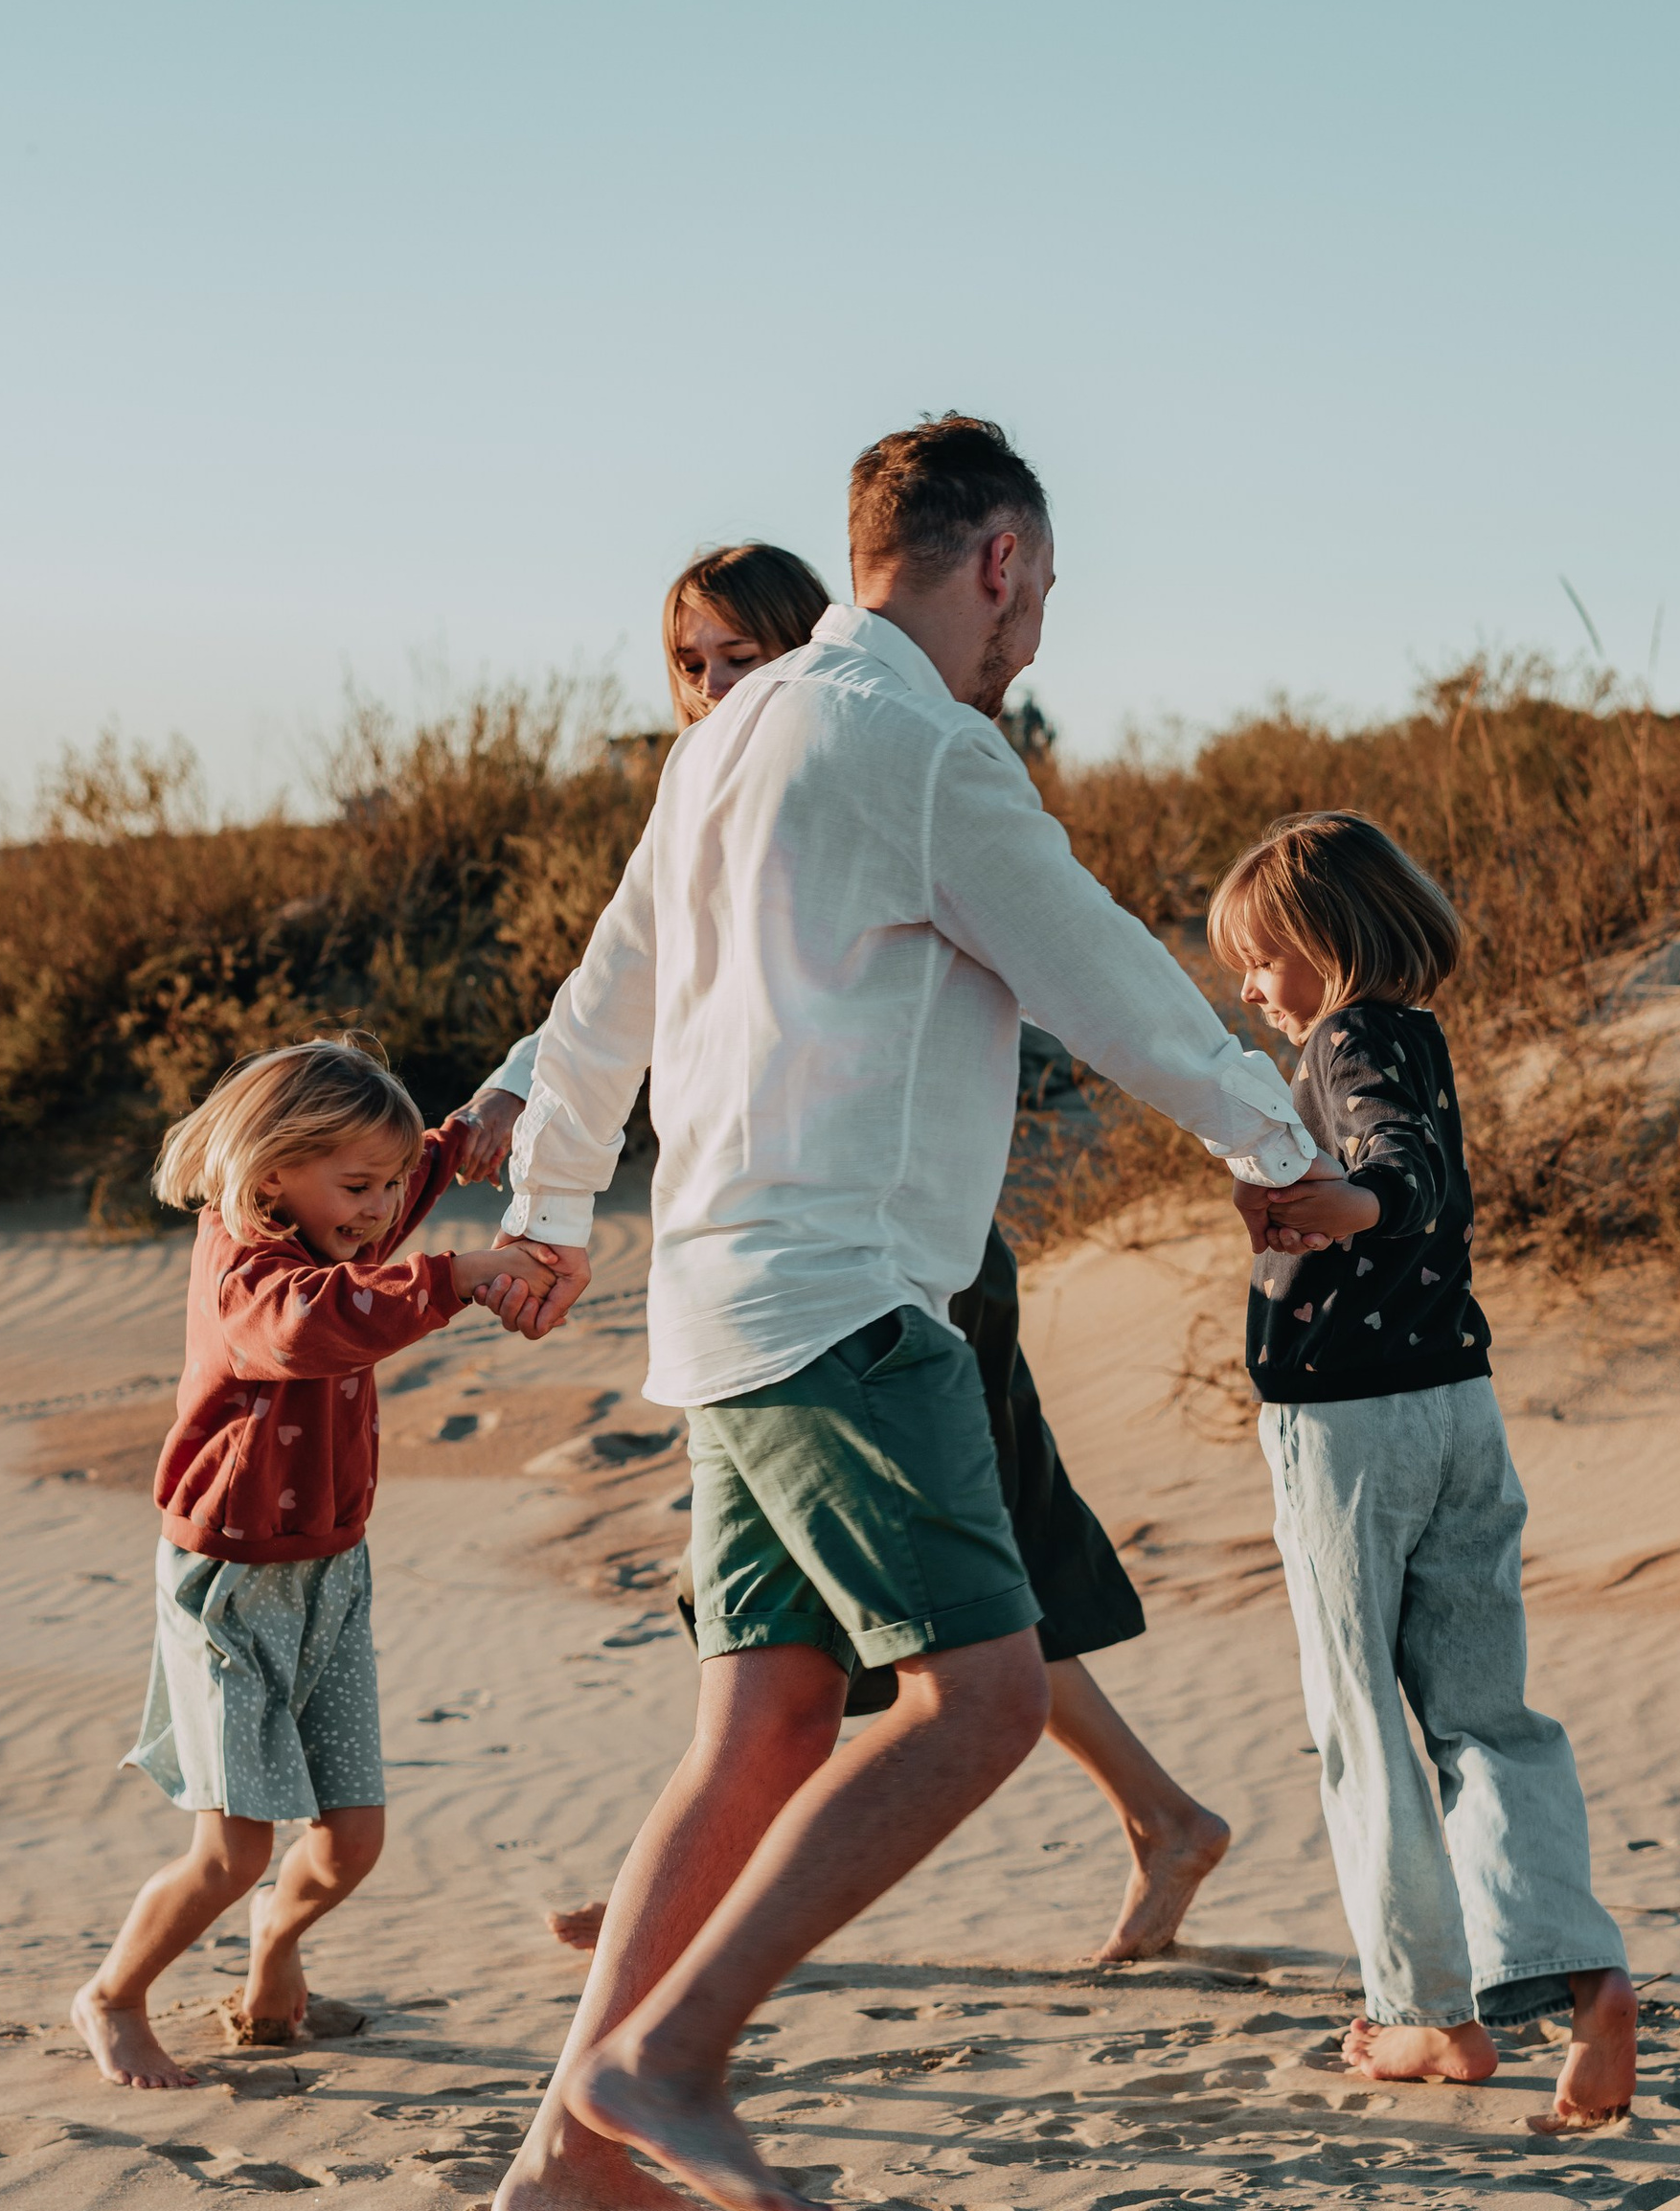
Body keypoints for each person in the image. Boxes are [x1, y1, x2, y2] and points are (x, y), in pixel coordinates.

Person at [480, 417, 1326, 2211]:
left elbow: (596, 1004)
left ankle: (564, 2161)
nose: (1036, 641)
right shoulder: (925, 748)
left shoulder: (726, 739)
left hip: (715, 1302)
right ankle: (670, 2056)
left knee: (764, 1728)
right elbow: (1105, 974)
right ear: (998, 561)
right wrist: (1282, 1144)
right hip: (853, 1299)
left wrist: (551, 1211)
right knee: (984, 1704)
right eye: (1042, 595)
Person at [448, 540, 1231, 1965]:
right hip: (782, 1272)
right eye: (693, 660)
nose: (720, 679)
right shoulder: (727, 779)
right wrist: (533, 1131)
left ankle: (658, 2008)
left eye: (745, 649)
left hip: (875, 1265)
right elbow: (646, 990)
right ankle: (653, 2003)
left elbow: (1038, 967)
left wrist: (1265, 1139)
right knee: (905, 1633)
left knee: (961, 1620)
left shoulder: (871, 752)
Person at [1210, 812, 1638, 2130]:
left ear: (1325, 940)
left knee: (1360, 1725)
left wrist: (1346, 1206)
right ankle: (1578, 1972)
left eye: (1261, 957)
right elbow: (1431, 1167)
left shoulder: (1342, 1044)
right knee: (1486, 1716)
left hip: (1348, 1433)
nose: (1249, 988)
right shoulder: (1418, 1035)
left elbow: (1398, 1169)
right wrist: (1366, 1197)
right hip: (1458, 1410)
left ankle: (1423, 2013)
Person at [69, 1035, 562, 2089]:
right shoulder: (250, 1270)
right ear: (271, 1169)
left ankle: (272, 1959)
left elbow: (429, 1162)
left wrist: (495, 1109)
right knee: (234, 1849)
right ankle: (111, 1995)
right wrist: (460, 1275)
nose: (382, 1209)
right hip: (230, 1589)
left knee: (351, 1839)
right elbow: (312, 1329)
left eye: (390, 1186)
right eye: (356, 1185)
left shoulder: (343, 1217)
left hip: (333, 1575)